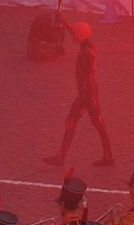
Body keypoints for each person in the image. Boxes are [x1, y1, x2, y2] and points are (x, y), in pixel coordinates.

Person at [44, 21, 114, 167]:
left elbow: (84, 76)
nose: (73, 36)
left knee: (77, 122)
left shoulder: (85, 53)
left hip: (86, 94)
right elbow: (77, 34)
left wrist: (83, 98)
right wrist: (64, 21)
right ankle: (108, 156)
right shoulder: (89, 46)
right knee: (97, 124)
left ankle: (61, 157)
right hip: (89, 92)